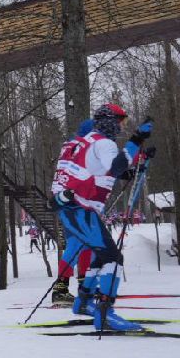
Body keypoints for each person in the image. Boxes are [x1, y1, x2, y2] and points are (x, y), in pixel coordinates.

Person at [51, 103, 152, 331]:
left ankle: (84, 302)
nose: (122, 127)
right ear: (110, 121)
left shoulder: (85, 142)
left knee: (99, 255)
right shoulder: (103, 142)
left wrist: (138, 165)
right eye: (121, 122)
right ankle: (105, 313)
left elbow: (108, 170)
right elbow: (115, 168)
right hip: (81, 210)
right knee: (113, 258)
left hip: (74, 208)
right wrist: (136, 140)